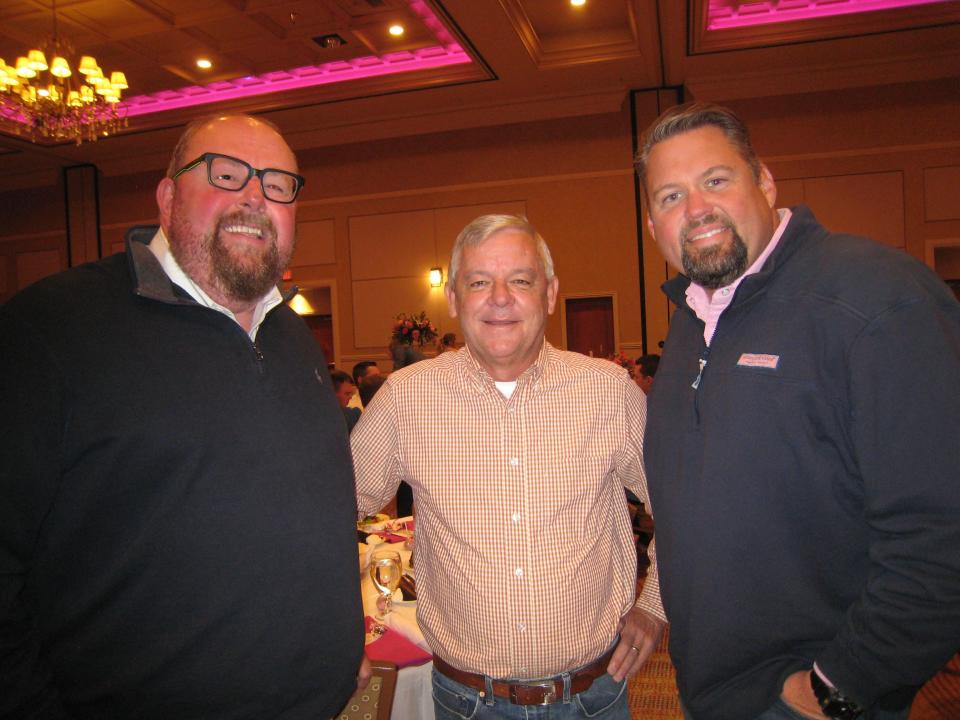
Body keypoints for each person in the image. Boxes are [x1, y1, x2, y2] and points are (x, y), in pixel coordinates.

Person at [0, 114, 364, 719]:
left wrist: (340, 635)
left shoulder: (291, 335)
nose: (255, 195)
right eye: (227, 174)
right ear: (168, 197)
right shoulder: (49, 331)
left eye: (278, 184)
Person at [636, 103, 960, 720]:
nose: (696, 208)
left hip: (812, 696)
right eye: (670, 196)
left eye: (716, 180)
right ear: (653, 226)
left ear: (764, 181)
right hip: (711, 689)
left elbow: (943, 532)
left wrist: (839, 685)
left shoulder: (876, 298)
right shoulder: (690, 324)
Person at [352, 214, 665, 719]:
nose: (500, 297)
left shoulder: (608, 392)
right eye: (479, 282)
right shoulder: (405, 399)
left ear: (549, 293)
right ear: (454, 298)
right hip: (465, 701)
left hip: (593, 696)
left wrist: (654, 605)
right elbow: (330, 510)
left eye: (520, 280)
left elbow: (681, 505)